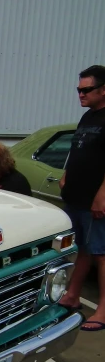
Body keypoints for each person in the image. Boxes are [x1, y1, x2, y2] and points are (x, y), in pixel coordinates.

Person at [56, 65, 105, 331]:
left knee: (101, 253)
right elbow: (78, 152)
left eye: (86, 90)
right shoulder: (87, 118)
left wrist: (101, 196)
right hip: (75, 198)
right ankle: (72, 295)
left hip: (95, 201)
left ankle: (103, 310)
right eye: (79, 90)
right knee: (80, 249)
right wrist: (66, 174)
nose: (81, 95)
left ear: (104, 89)